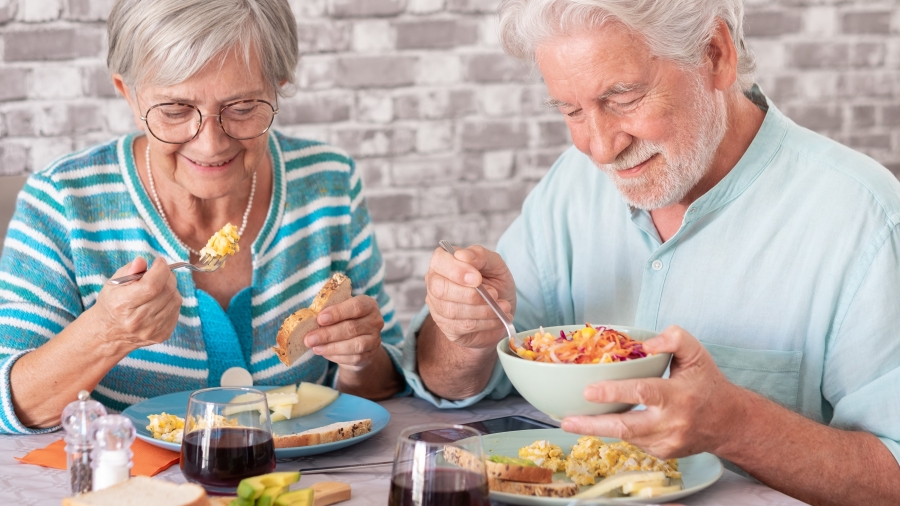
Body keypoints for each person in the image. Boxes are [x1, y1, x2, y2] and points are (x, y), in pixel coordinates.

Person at [405, 0, 900, 503]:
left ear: (715, 54)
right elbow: (452, 382)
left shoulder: (863, 217)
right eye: (572, 111)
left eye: (623, 99)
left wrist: (738, 426)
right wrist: (465, 335)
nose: (601, 149)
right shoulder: (571, 187)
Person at [0, 0, 405, 435]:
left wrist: (360, 359)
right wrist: (105, 333)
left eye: (243, 107)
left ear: (278, 87)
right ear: (128, 94)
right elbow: (8, 406)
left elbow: (387, 380)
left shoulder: (329, 182)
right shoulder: (62, 201)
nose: (210, 145)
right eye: (175, 110)